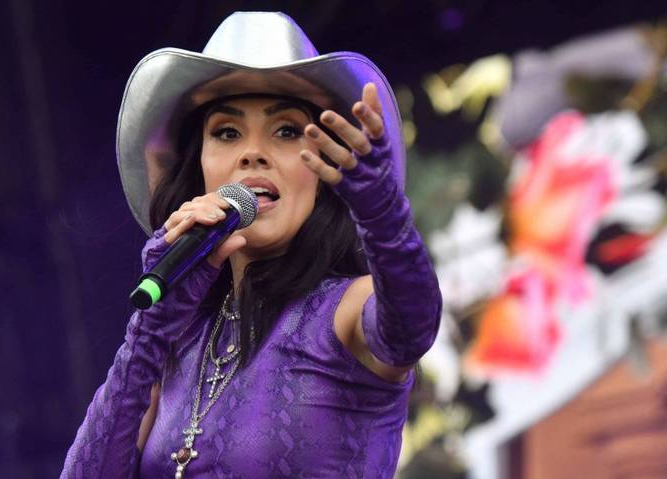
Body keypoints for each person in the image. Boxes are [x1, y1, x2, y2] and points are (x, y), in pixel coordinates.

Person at [61, 11, 441, 479]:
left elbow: (412, 327)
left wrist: (383, 214)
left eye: (286, 131)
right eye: (227, 132)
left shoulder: (349, 309)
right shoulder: (176, 346)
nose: (253, 152)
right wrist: (151, 331)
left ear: (324, 170)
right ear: (198, 166)